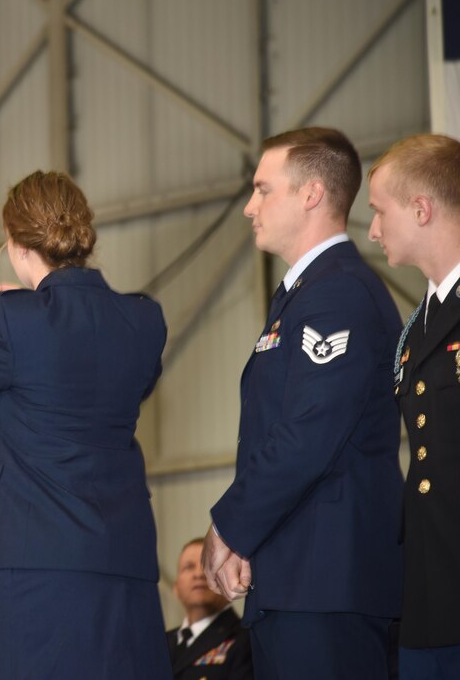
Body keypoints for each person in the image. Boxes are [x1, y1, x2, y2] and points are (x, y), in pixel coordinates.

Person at [0, 171, 170, 680]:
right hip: (125, 560)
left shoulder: (8, 321)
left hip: (38, 567)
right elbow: (125, 388)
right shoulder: (143, 320)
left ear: (14, 244)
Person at [203, 127, 403, 680]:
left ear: (311, 193)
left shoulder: (337, 293)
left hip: (327, 584)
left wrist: (229, 527)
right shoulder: (305, 295)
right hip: (296, 579)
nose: (249, 207)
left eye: (263, 190)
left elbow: (307, 434)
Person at [367, 133, 460, 680]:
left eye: (380, 211)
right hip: (428, 599)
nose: (373, 229)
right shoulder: (418, 326)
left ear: (420, 209)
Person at [167, 538, 253, 680]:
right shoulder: (158, 643)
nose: (198, 575)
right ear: (176, 588)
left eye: (206, 565)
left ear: (228, 581)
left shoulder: (247, 640)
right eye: (188, 567)